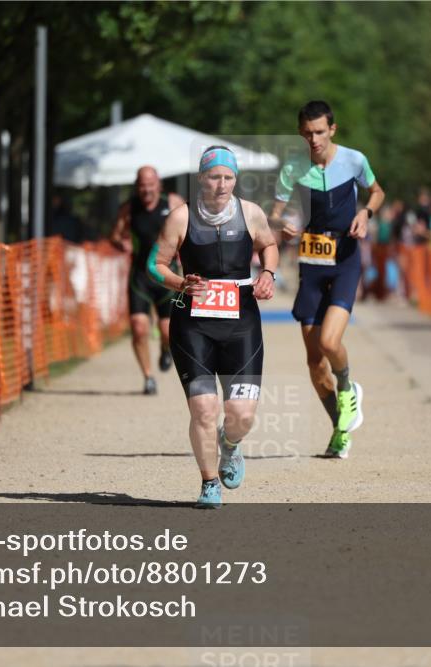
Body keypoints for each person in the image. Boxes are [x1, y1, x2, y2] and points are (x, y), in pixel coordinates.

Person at [152, 146, 278, 508]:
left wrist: (268, 273)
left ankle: (231, 445)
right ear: (201, 179)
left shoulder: (251, 213)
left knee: (241, 415)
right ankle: (209, 483)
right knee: (204, 409)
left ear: (235, 180)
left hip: (242, 323)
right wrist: (180, 283)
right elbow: (154, 265)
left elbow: (269, 245)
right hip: (193, 324)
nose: (221, 185)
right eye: (214, 177)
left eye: (228, 177)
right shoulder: (181, 217)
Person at [269, 100, 385, 459]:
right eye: (307, 133)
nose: (314, 139)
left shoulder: (354, 160)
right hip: (312, 264)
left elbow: (377, 192)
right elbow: (275, 213)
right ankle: (340, 431)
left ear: (332, 129)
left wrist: (365, 213)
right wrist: (281, 224)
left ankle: (349, 389)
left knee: (331, 343)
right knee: (315, 363)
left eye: (319, 132)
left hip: (346, 259)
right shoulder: (293, 168)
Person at [109, 167, 186, 395]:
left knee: (167, 331)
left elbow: (190, 227)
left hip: (166, 276)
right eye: (142, 185)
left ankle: (165, 349)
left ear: (158, 185)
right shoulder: (129, 208)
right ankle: (148, 376)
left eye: (150, 184)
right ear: (137, 186)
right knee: (139, 328)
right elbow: (115, 234)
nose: (146, 190)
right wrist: (120, 243)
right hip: (140, 276)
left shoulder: (172, 202)